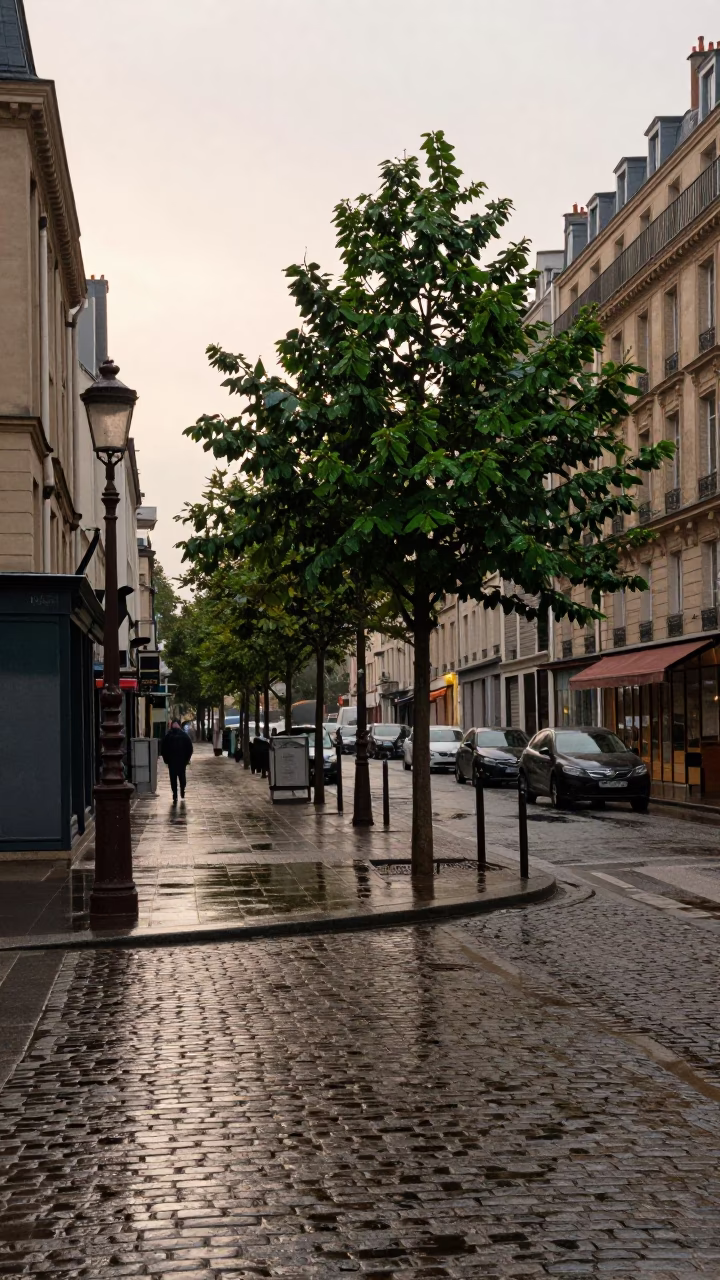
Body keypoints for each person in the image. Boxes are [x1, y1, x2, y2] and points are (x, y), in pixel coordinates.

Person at [160, 719, 193, 803]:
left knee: (179, 778)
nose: (174, 725)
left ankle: (180, 790)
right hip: (175, 761)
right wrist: (166, 759)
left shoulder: (181, 736)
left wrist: (187, 759)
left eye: (175, 724)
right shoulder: (169, 736)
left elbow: (189, 748)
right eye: (173, 724)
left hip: (179, 761)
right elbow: (163, 749)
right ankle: (175, 793)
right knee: (175, 778)